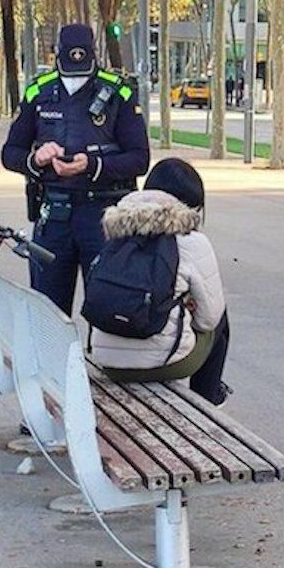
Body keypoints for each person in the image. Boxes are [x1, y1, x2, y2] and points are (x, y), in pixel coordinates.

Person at [1, 23, 151, 314]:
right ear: (57, 56)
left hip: (104, 216)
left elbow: (139, 159)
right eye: (70, 67)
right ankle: (54, 360)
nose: (75, 77)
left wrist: (93, 165)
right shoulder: (38, 92)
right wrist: (37, 160)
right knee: (47, 311)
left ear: (94, 56)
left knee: (110, 308)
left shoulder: (118, 92)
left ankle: (103, 360)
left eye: (82, 68)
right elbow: (10, 153)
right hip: (54, 215)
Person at [88, 159, 230, 405]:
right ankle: (208, 399)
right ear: (190, 205)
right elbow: (209, 319)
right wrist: (183, 305)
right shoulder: (191, 240)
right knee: (220, 321)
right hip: (166, 363)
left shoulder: (114, 230)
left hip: (106, 360)